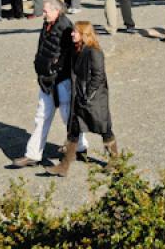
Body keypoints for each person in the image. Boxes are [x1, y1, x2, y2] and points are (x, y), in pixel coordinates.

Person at [12, 0, 88, 168]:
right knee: (41, 117)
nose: (43, 13)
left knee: (67, 116)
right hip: (46, 79)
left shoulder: (66, 26)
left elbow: (71, 55)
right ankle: (32, 154)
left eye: (46, 10)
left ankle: (81, 146)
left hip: (61, 80)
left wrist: (57, 68)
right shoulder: (48, 23)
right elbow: (42, 47)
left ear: (56, 10)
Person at [48, 21, 117, 176]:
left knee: (104, 129)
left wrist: (88, 95)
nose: (72, 34)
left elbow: (98, 76)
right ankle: (64, 166)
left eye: (75, 32)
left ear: (84, 34)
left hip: (94, 99)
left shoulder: (94, 52)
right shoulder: (76, 49)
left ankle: (115, 161)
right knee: (74, 130)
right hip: (78, 96)